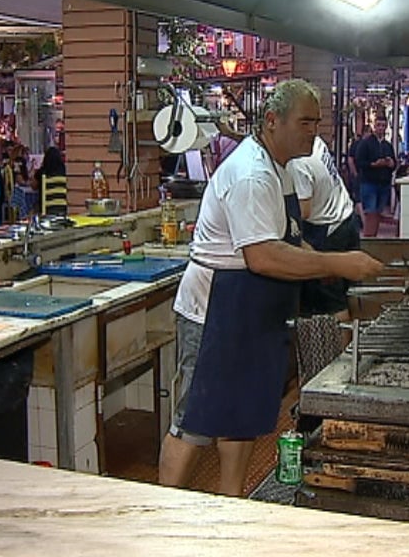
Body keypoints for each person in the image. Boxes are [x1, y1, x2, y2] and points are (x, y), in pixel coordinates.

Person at [159, 78, 384, 497]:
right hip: (215, 313)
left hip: (252, 310)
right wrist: (335, 260)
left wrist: (319, 267)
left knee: (241, 416)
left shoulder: (283, 168)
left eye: (316, 122)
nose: (312, 131)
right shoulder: (250, 175)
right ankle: (159, 513)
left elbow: (287, 238)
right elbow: (261, 256)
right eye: (304, 122)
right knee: (193, 421)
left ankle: (233, 504)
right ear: (271, 121)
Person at [288, 135, 360, 323]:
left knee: (331, 303)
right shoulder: (314, 141)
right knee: (349, 291)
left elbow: (303, 211)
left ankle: (344, 352)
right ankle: (354, 345)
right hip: (346, 216)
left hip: (329, 232)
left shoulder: (297, 164)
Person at [354, 115, 396, 237]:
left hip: (384, 184)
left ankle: (374, 236)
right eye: (378, 125)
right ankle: (368, 238)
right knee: (370, 212)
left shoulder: (387, 146)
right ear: (374, 126)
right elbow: (359, 161)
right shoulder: (366, 144)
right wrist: (373, 164)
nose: (381, 128)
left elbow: (394, 163)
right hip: (369, 182)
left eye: (383, 126)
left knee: (378, 212)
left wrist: (391, 163)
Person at [33, 146, 66, 217]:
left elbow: (33, 186)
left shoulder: (42, 172)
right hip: (63, 209)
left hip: (46, 209)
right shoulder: (64, 172)